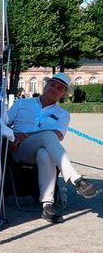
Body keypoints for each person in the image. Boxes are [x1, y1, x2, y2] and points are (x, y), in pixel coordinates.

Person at [7, 73, 101, 223]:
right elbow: (3, 123)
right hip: (18, 149)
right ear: (46, 86)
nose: (55, 89)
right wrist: (12, 135)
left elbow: (58, 134)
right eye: (52, 85)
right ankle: (76, 179)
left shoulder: (63, 114)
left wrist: (27, 134)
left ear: (63, 94)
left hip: (41, 149)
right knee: (48, 136)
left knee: (45, 152)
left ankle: (47, 205)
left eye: (60, 88)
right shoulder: (21, 104)